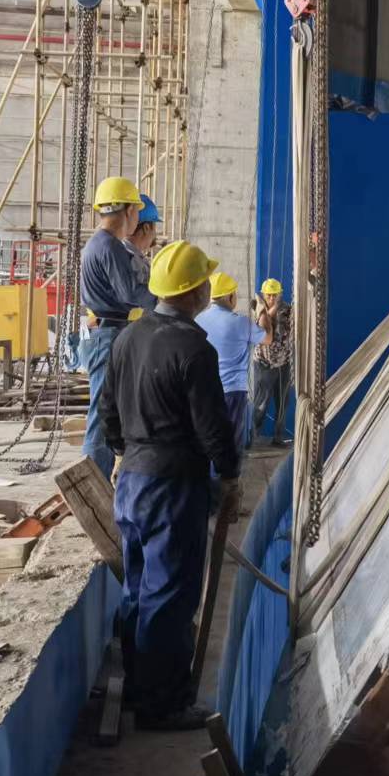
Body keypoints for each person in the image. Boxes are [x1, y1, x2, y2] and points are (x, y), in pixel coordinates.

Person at [97, 240, 242, 730]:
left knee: (138, 588)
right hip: (173, 486)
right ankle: (162, 707)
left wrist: (120, 452)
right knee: (170, 596)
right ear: (195, 290)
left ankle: (137, 685)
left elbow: (107, 413)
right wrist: (229, 474)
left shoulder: (127, 340)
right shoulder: (193, 349)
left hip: (133, 482)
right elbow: (212, 426)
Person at [79, 177, 155, 479]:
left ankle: (99, 476)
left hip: (106, 332)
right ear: (127, 211)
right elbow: (127, 294)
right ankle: (92, 482)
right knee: (102, 412)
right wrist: (162, 298)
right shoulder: (109, 246)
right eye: (136, 210)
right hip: (108, 334)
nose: (137, 218)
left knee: (110, 408)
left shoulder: (99, 243)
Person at [195, 271, 264, 459]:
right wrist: (262, 311)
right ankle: (228, 483)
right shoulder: (241, 323)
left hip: (205, 390)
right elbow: (267, 338)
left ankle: (210, 482)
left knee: (208, 438)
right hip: (233, 392)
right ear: (230, 296)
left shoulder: (197, 320)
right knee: (231, 443)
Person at [250, 278, 293, 446]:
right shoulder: (257, 308)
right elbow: (260, 329)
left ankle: (278, 437)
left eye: (275, 295)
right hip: (264, 364)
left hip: (282, 363)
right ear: (263, 294)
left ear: (280, 295)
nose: (272, 298)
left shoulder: (288, 311)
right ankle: (252, 436)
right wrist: (270, 312)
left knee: (282, 402)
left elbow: (289, 329)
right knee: (261, 402)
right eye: (269, 295)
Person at [128, 196, 160, 275]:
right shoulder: (134, 261)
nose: (155, 235)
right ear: (146, 227)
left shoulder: (119, 251)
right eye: (155, 228)